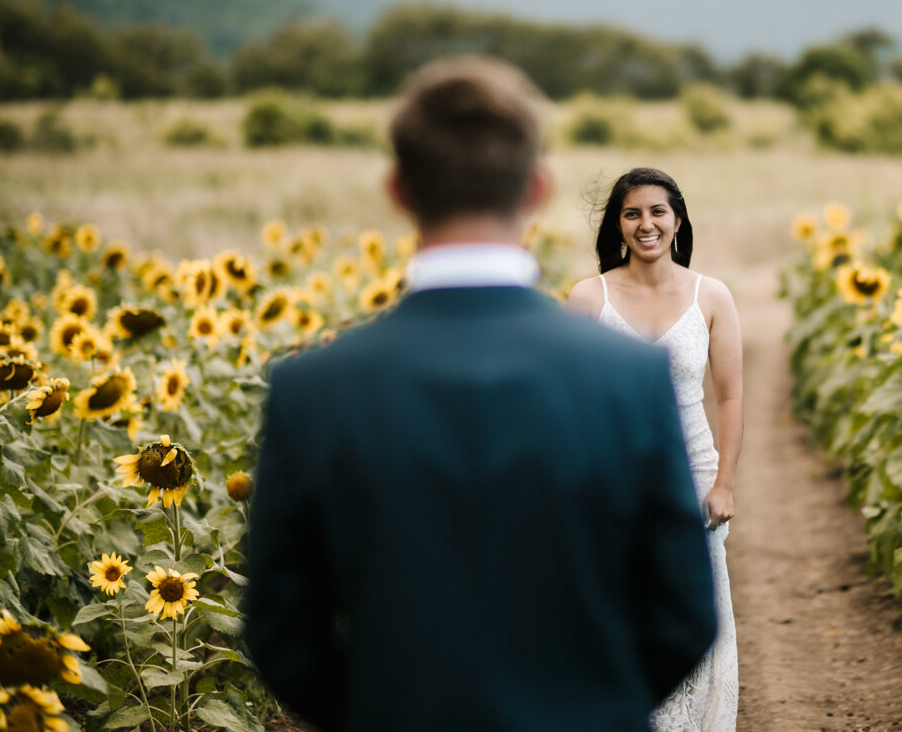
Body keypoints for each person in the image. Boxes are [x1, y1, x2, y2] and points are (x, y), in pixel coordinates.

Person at [243, 57, 717, 732]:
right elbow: (682, 613)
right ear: (537, 188)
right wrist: (589, 706)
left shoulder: (313, 387)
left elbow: (283, 635)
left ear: (399, 189)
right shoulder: (627, 377)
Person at [566, 167, 743, 732]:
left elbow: (731, 395)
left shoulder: (710, 295)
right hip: (611, 482)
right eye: (632, 213)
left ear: (678, 220)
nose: (646, 224)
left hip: (691, 475)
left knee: (693, 612)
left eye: (657, 212)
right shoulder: (588, 297)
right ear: (619, 225)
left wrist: (723, 485)